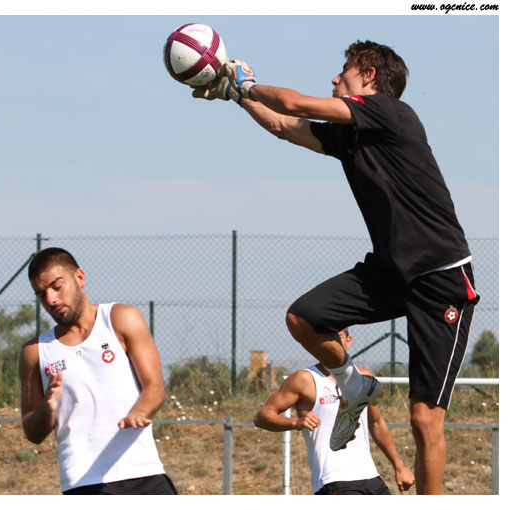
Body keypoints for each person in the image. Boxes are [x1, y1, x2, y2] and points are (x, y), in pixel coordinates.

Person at [193, 40, 479, 494]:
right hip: (389, 272)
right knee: (302, 318)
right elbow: (285, 125)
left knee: (425, 420)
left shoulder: (391, 112)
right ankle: (353, 385)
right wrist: (236, 95)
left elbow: (292, 103)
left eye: (343, 70)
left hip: (440, 277)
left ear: (369, 75)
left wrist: (247, 82)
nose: (334, 77)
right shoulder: (353, 135)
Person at [18, 247, 177, 495]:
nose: (50, 299)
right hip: (84, 483)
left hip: (144, 473)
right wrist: (46, 408)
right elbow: (32, 432)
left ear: (79, 278)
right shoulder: (35, 352)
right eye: (41, 294)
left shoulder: (121, 319)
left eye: (57, 286)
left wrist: (139, 412)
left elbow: (154, 386)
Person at [254, 328, 415, 495]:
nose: (332, 342)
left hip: (371, 478)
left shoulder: (365, 377)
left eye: (337, 337)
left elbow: (376, 423)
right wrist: (296, 422)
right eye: (326, 337)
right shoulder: (304, 379)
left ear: (348, 341)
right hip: (333, 480)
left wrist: (399, 466)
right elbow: (262, 417)